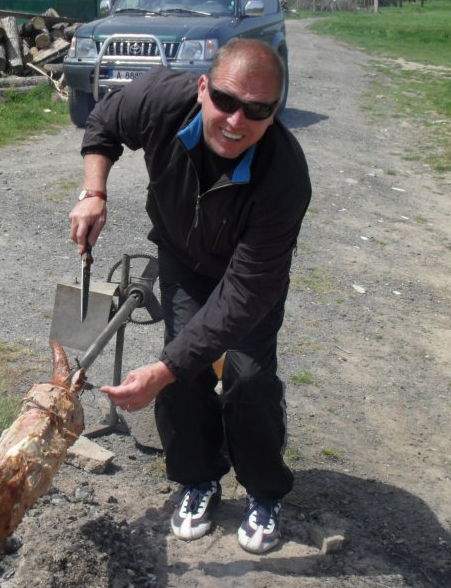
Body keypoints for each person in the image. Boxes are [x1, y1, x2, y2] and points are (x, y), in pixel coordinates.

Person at [68, 38, 311, 554]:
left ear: (274, 112)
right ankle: (198, 479)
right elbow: (103, 122)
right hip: (182, 255)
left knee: (248, 377)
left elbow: (245, 292)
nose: (236, 121)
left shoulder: (285, 176)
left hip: (247, 278)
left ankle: (265, 491)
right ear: (203, 88)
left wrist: (163, 371)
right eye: (225, 100)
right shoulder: (160, 100)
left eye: (257, 110)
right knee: (185, 367)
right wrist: (94, 192)